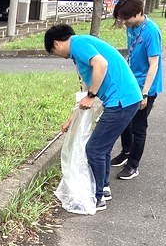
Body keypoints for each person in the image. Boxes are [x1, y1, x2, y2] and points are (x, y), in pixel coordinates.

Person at [45, 24, 142, 211]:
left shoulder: (78, 43)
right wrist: (71, 118)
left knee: (94, 148)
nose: (57, 55)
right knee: (102, 148)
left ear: (56, 44)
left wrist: (91, 95)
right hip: (126, 100)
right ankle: (103, 188)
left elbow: (101, 64)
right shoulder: (80, 50)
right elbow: (85, 92)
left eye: (53, 52)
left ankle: (97, 197)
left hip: (121, 102)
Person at [112, 0, 163, 179]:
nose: (124, 22)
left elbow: (154, 65)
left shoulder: (151, 31)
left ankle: (133, 165)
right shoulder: (131, 27)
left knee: (138, 127)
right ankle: (126, 153)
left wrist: (145, 93)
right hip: (131, 83)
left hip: (146, 87)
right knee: (124, 122)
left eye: (127, 18)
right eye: (122, 18)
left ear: (139, 12)